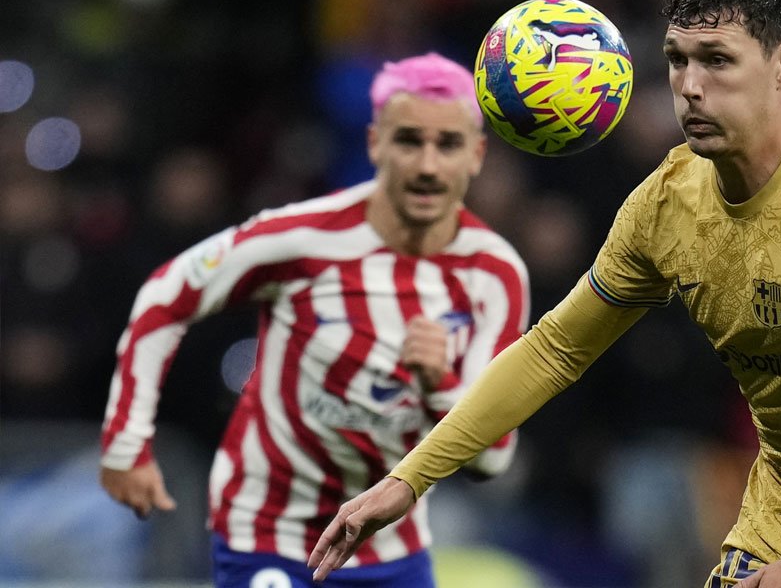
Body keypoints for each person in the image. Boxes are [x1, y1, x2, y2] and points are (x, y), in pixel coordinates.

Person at [307, 0, 781, 588]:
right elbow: (556, 348)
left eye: (717, 62)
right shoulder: (668, 203)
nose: (690, 87)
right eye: (677, 60)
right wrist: (408, 480)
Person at [99, 52, 531, 588]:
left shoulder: (496, 275)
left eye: (447, 144)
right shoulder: (301, 236)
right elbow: (166, 295)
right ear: (374, 143)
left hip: (392, 547)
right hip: (271, 537)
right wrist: (126, 442)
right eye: (407, 140)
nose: (426, 165)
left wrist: (438, 384)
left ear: (477, 154)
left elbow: (493, 459)